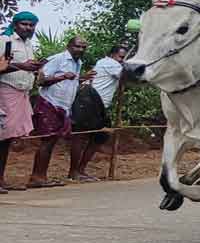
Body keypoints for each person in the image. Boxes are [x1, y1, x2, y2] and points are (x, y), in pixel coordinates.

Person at [28, 36, 95, 188]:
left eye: (83, 47)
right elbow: (41, 81)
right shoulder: (57, 59)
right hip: (49, 103)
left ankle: (41, 176)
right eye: (77, 46)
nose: (80, 50)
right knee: (47, 140)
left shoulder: (78, 63)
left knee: (52, 141)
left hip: (64, 106)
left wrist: (81, 78)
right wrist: (62, 76)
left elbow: (70, 82)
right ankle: (37, 177)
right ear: (69, 46)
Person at [0, 12, 45, 193]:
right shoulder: (5, 40)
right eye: (24, 24)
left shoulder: (28, 44)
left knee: (8, 139)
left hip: (22, 93)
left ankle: (1, 179)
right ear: (16, 24)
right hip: (5, 92)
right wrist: (21, 66)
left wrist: (33, 68)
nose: (28, 28)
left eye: (31, 25)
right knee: (2, 137)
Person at [70, 45, 127, 181]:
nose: (121, 60)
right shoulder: (110, 63)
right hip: (90, 100)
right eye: (121, 57)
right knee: (82, 136)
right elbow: (128, 76)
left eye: (124, 58)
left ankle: (79, 171)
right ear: (112, 55)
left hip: (95, 102)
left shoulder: (106, 63)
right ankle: (74, 172)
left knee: (99, 136)